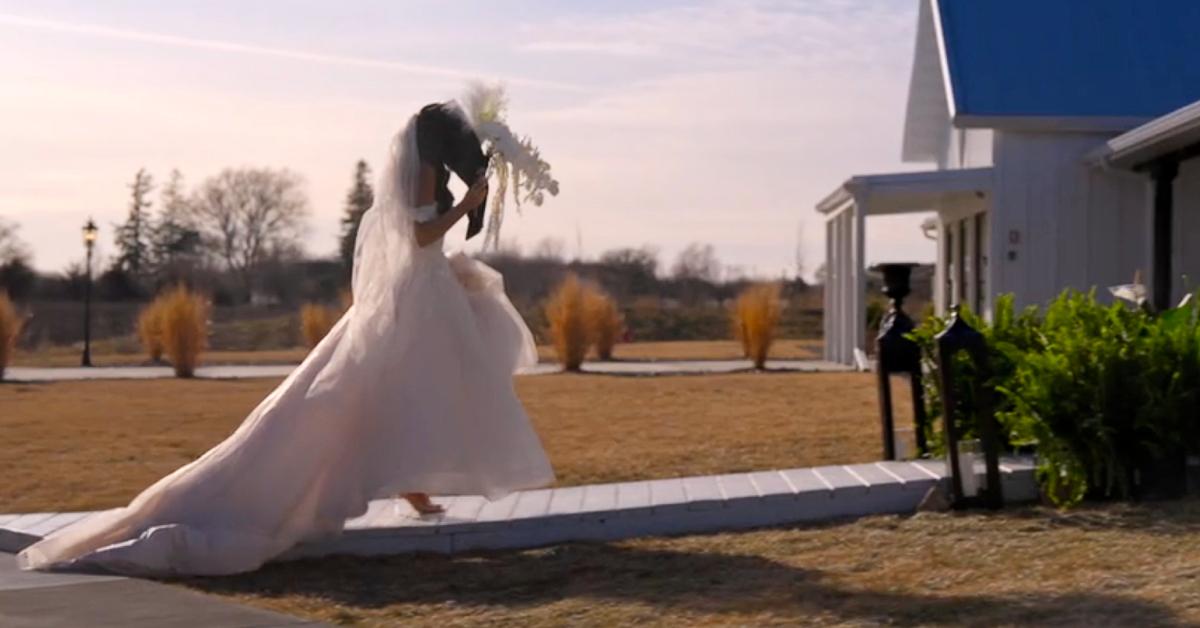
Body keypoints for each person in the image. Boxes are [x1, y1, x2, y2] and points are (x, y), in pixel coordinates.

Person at [17, 102, 556, 576]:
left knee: (414, 388)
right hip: (416, 294)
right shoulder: (424, 175)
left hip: (429, 289)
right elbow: (417, 237)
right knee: (394, 388)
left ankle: (410, 482)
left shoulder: (431, 171)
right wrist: (468, 203)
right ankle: (406, 484)